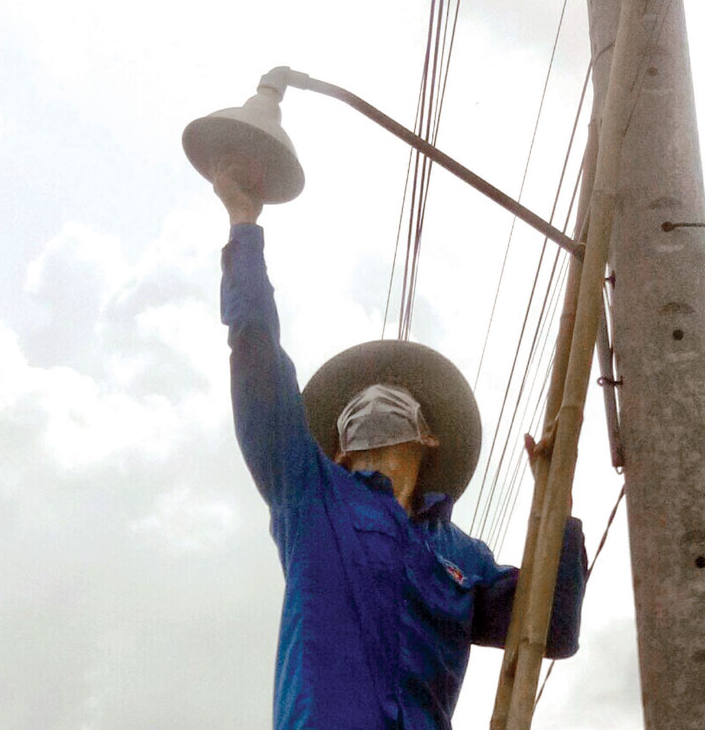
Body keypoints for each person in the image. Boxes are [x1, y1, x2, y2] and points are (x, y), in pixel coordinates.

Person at [214, 156, 587, 729]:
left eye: (395, 395)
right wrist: (244, 226)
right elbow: (258, 357)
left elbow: (550, 628)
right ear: (337, 446)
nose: (374, 400)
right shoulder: (310, 493)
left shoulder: (462, 558)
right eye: (355, 404)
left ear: (428, 436)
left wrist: (557, 505)